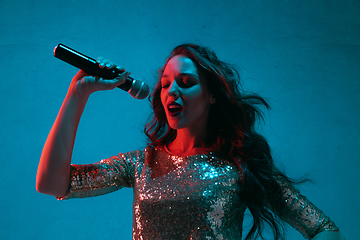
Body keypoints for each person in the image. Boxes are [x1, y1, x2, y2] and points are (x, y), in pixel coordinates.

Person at [36, 43, 345, 240]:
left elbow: (323, 229)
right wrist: (78, 93)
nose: (172, 91)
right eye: (166, 84)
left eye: (186, 83)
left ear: (212, 95)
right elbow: (51, 184)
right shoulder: (140, 163)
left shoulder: (239, 164)